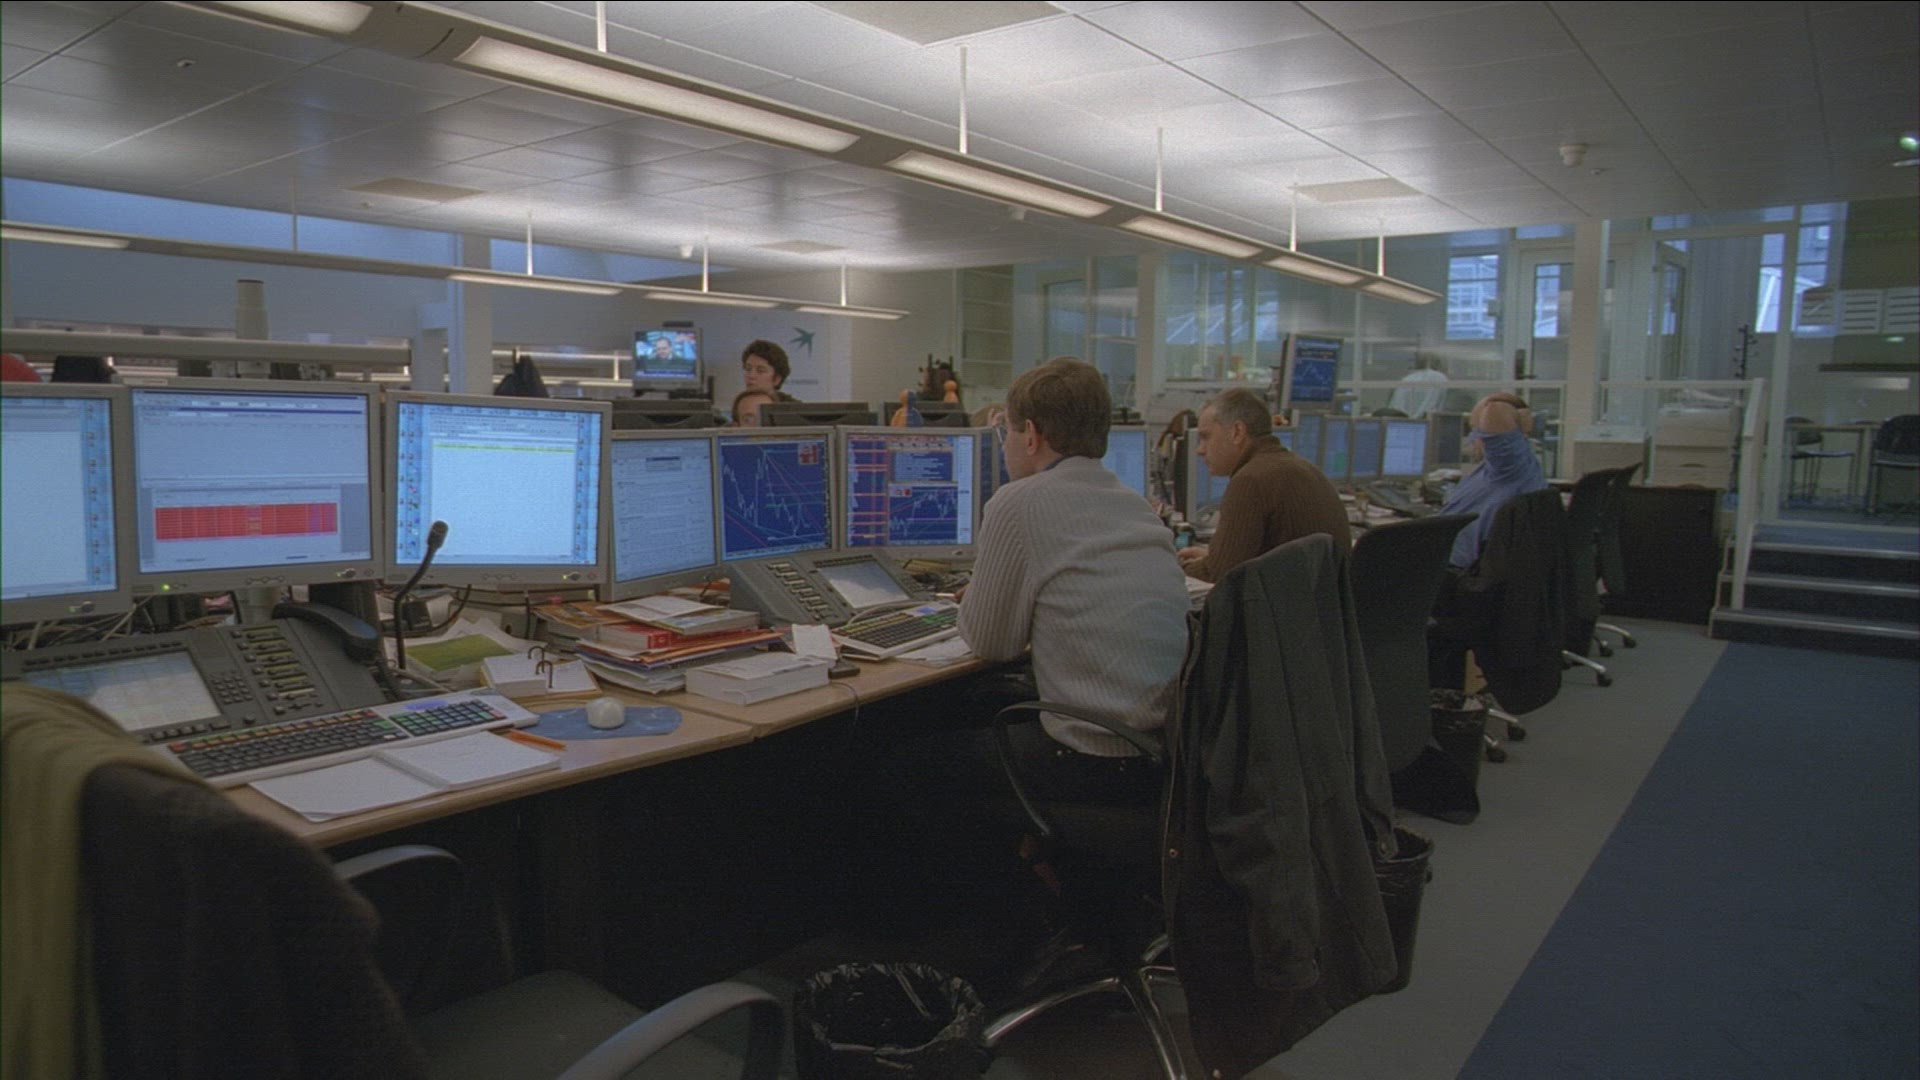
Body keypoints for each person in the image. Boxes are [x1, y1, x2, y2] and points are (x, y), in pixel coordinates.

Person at [959, 357, 1189, 802]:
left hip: (1095, 758)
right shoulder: (1134, 503)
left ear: (1031, 434)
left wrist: (978, 599)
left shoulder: (1018, 502)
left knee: (902, 769)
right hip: (1165, 756)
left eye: (1007, 433)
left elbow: (992, 644)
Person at [1178, 387, 1350, 582]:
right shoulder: (1303, 468)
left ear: (1237, 432)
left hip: (1286, 601)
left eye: (1206, 437)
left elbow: (1218, 575)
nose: (1200, 450)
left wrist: (1174, 568)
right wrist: (1213, 558)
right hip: (1317, 598)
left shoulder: (1250, 480)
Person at [1440, 392, 1548, 568]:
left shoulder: (1509, 466)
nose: (1473, 440)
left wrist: (1520, 418)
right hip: (1440, 557)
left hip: (1453, 570)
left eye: (1478, 430)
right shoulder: (1488, 470)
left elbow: (1497, 410)